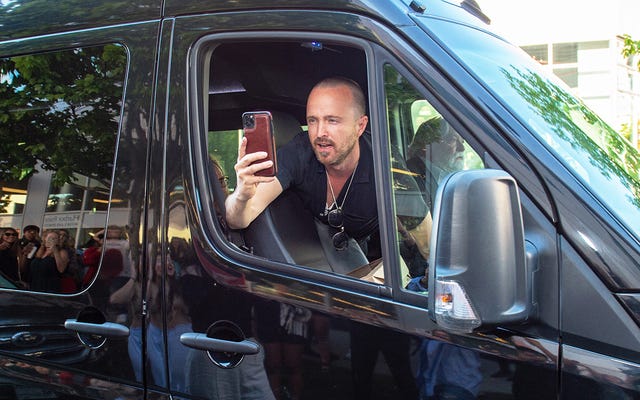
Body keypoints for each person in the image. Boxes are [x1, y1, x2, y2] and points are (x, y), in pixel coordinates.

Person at [226, 77, 426, 399]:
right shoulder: (299, 152)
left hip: (385, 273)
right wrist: (242, 193)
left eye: (333, 120)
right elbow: (239, 218)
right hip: (337, 288)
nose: (320, 132)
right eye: (313, 120)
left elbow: (427, 240)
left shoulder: (385, 165)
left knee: (399, 367)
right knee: (360, 368)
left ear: (360, 125)